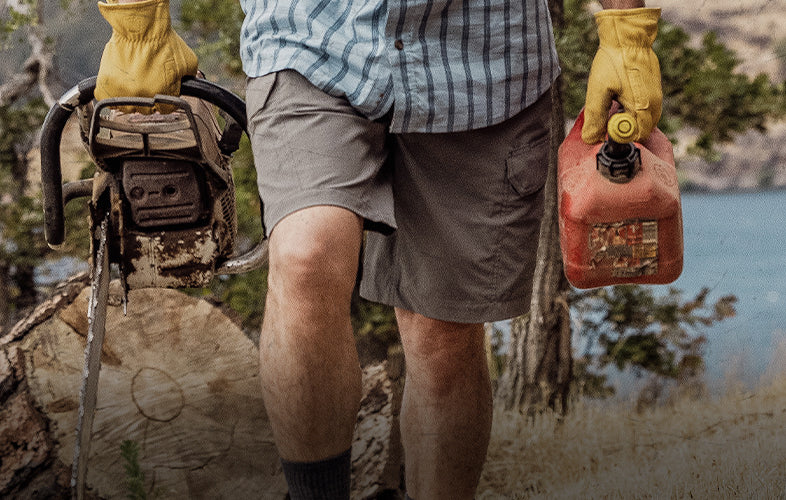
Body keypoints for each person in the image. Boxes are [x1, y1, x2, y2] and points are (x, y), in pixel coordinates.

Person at [95, 0, 661, 497]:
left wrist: (625, 33)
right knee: (305, 257)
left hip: (486, 62)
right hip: (310, 39)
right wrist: (137, 25)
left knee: (442, 335)